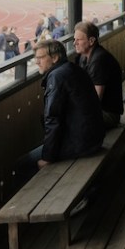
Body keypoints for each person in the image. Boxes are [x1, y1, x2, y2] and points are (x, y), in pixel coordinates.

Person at [25, 39, 103, 173]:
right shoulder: (71, 68)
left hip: (81, 144)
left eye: (40, 58)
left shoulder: (56, 77)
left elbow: (53, 119)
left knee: (23, 163)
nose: (37, 62)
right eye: (36, 58)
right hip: (92, 138)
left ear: (55, 58)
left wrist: (47, 158)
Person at [74, 21, 123, 129]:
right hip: (97, 110)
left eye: (79, 40)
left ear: (91, 41)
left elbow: (96, 99)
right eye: (74, 39)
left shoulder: (99, 60)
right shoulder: (84, 56)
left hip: (108, 114)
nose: (74, 43)